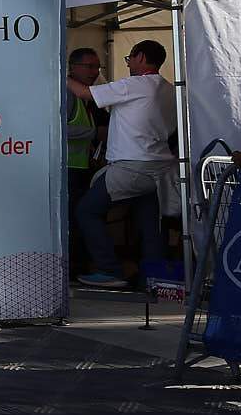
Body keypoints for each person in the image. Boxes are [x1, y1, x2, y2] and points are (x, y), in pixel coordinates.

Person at [69, 39, 176, 288]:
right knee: (150, 222)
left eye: (129, 59)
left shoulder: (134, 84)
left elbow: (85, 92)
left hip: (131, 166)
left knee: (86, 211)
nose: (128, 65)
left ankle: (109, 269)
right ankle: (155, 276)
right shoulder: (169, 89)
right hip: (159, 168)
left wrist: (58, 72)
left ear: (139, 57)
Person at [63, 49, 107, 272]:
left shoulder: (90, 96)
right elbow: (56, 127)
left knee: (80, 218)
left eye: (97, 66)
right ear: (72, 67)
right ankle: (73, 268)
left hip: (81, 168)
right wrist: (92, 134)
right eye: (89, 66)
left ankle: (79, 265)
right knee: (74, 219)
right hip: (67, 168)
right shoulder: (67, 93)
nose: (94, 71)